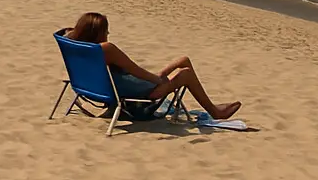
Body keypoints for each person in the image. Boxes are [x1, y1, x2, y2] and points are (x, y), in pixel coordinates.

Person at [61, 11, 241, 121]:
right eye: (105, 30)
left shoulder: (76, 45)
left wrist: (160, 75)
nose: (108, 33)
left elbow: (67, 32)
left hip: (102, 86)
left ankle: (210, 105)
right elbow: (135, 70)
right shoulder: (106, 50)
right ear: (97, 34)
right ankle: (215, 112)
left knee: (183, 60)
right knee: (185, 73)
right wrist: (158, 80)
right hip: (134, 90)